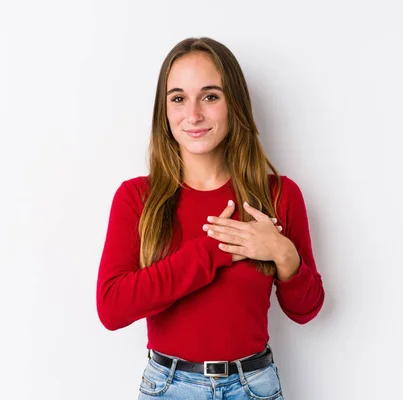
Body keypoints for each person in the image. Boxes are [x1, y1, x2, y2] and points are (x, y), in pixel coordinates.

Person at [96, 37, 324, 399]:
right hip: (169, 387)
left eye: (210, 96)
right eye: (178, 98)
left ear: (233, 104)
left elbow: (306, 309)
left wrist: (283, 254)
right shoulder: (137, 198)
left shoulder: (278, 195)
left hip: (254, 385)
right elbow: (112, 308)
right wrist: (214, 251)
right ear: (164, 110)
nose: (194, 114)